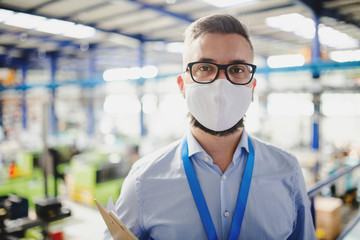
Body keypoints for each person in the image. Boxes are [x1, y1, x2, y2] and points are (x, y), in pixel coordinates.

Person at [104, 14, 316, 240]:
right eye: (205, 67)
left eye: (237, 69)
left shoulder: (287, 171)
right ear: (182, 85)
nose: (220, 85)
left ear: (252, 86)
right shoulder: (143, 179)